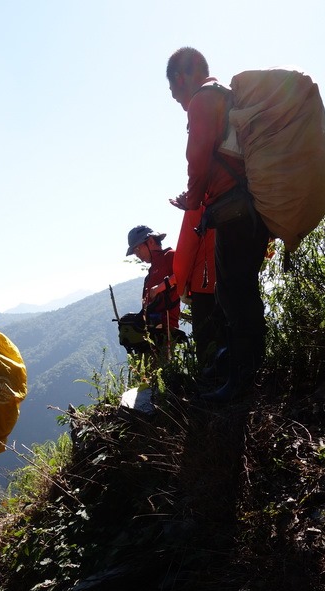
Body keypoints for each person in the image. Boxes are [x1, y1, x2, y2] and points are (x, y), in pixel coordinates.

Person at [166, 47, 270, 402]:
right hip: (254, 208)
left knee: (233, 295)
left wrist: (193, 201)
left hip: (234, 212)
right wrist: (196, 198)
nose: (178, 101)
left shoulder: (203, 99)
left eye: (174, 91)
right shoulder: (228, 98)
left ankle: (240, 383)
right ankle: (248, 370)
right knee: (243, 291)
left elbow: (197, 159)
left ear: (182, 77)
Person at [171, 207, 224, 370]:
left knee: (205, 338)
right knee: (233, 332)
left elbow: (188, 245)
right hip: (238, 278)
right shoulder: (244, 186)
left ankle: (209, 380)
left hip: (204, 283)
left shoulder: (200, 199)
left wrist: (182, 285)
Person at [125, 225, 181, 354]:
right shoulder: (152, 270)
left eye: (138, 249)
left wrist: (159, 288)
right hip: (150, 330)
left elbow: (184, 273)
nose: (137, 255)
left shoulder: (170, 256)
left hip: (165, 330)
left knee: (161, 368)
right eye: (135, 252)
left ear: (150, 241)